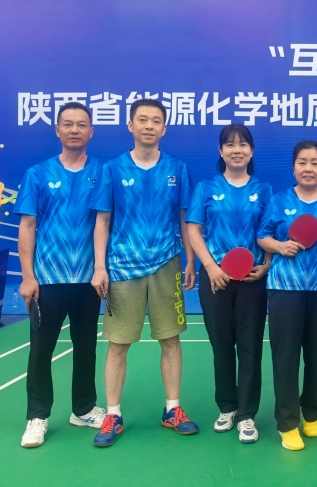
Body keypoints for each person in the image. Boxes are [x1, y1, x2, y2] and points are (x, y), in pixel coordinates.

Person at [89, 98, 198, 447]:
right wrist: (100, 267)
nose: (149, 125)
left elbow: (185, 218)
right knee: (118, 344)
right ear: (130, 125)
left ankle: (173, 409)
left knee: (171, 339)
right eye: (143, 120)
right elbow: (102, 221)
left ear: (164, 128)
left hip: (168, 263)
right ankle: (113, 414)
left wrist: (191, 260)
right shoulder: (112, 169)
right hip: (123, 267)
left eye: (156, 121)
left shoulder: (177, 168)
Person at [15, 102, 105, 448]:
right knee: (41, 350)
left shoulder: (101, 173)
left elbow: (103, 222)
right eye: (68, 124)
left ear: (91, 132)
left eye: (81, 125)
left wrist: (101, 269)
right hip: (47, 280)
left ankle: (83, 408)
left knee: (86, 347)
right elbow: (28, 226)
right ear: (57, 130)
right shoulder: (37, 174)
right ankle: (37, 416)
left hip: (87, 280)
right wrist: (28, 276)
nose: (74, 130)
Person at [185, 124, 272, 444]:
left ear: (251, 151)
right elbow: (193, 229)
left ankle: (247, 415)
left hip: (252, 280)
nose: (237, 150)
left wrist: (266, 265)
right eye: (230, 145)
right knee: (221, 346)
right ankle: (227, 407)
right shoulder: (206, 188)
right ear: (221, 151)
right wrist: (210, 267)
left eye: (243, 144)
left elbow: (268, 232)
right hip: (216, 279)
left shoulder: (263, 190)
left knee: (250, 347)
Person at [257, 140, 317, 451]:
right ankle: (287, 423)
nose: (309, 168)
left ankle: (312, 413)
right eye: (303, 162)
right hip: (285, 288)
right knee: (286, 356)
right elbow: (262, 236)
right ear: (294, 167)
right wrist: (280, 246)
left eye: (315, 162)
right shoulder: (279, 200)